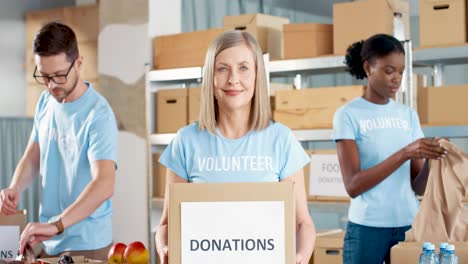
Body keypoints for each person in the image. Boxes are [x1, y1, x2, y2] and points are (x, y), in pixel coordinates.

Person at [155, 30, 316, 264]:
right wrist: (165, 247)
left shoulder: (281, 140)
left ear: (257, 76)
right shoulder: (186, 142)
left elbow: (303, 223)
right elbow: (167, 225)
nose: (233, 79)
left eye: (243, 68)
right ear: (210, 77)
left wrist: (300, 256)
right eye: (222, 69)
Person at [0, 22, 118, 260]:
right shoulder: (46, 102)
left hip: (86, 241)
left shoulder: (99, 115)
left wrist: (56, 225)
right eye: (44, 76)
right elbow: (33, 156)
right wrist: (14, 187)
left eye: (59, 75)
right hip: (49, 239)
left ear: (79, 63)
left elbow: (105, 184)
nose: (52, 85)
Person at [333, 33, 447, 264]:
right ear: (368, 68)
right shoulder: (348, 115)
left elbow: (418, 186)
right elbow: (353, 185)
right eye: (388, 70)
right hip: (367, 229)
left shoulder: (408, 115)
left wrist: (433, 158)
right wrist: (405, 153)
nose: (397, 78)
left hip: (408, 225)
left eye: (401, 72)